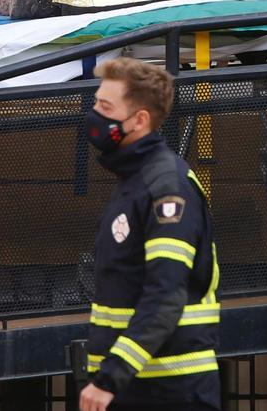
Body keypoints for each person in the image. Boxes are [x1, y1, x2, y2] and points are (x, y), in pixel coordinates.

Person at [79, 58, 220, 411]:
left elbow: (165, 298)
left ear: (140, 120)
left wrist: (110, 377)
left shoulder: (165, 187)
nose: (94, 114)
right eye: (96, 103)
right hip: (139, 387)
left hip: (168, 391)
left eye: (105, 106)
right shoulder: (136, 180)